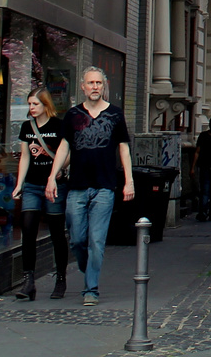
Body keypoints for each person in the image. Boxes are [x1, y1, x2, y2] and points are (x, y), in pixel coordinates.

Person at [46, 67, 133, 306]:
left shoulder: (115, 114)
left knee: (96, 240)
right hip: (77, 186)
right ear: (82, 87)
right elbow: (65, 146)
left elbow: (123, 147)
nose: (95, 87)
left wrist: (129, 181)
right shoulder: (73, 115)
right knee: (77, 239)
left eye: (98, 83)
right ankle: (87, 267)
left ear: (103, 86)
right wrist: (52, 176)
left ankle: (91, 289)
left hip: (105, 186)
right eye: (90, 83)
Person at [11, 87, 69, 300]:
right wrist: (19, 184)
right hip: (33, 186)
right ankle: (28, 281)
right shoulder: (27, 127)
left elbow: (67, 153)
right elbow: (25, 156)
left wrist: (59, 172)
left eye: (35, 104)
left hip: (54, 186)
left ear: (46, 105)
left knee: (56, 232)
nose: (31, 108)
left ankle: (60, 278)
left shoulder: (58, 126)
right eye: (29, 104)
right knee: (27, 230)